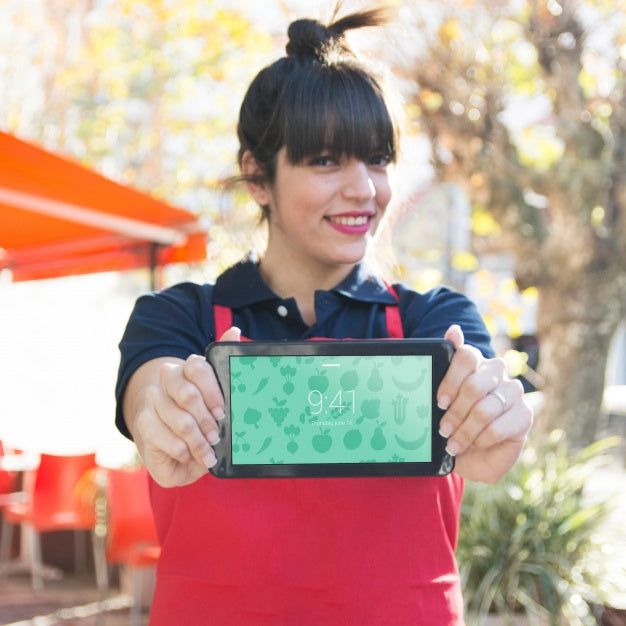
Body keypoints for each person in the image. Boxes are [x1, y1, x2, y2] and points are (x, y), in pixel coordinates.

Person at [115, 7, 533, 625]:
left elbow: (480, 402)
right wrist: (165, 412)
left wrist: (493, 414)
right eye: (327, 160)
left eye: (379, 159)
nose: (365, 189)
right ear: (258, 175)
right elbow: (151, 391)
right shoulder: (177, 320)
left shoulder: (435, 323)